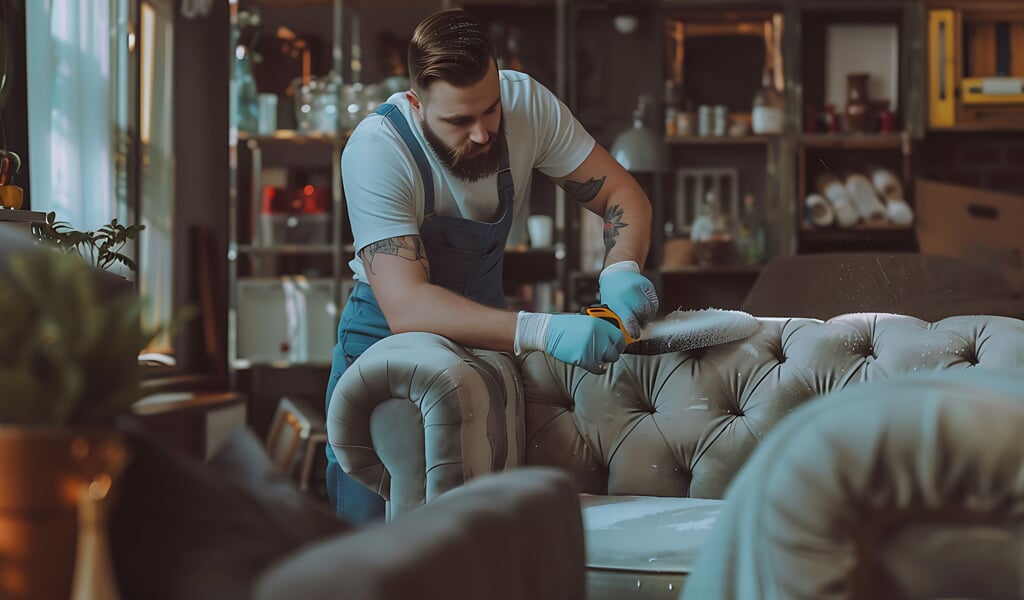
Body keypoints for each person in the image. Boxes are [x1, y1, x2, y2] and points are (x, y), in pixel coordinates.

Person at [325, 8, 659, 523]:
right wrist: (543, 329)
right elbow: (408, 305)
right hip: (384, 364)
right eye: (459, 120)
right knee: (375, 555)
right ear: (416, 103)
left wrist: (622, 267)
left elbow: (622, 194)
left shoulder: (526, 103)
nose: (483, 134)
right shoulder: (377, 150)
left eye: (490, 110)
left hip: (484, 353)